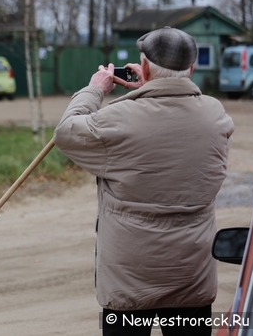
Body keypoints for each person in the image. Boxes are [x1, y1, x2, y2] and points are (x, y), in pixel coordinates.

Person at [52, 27, 234, 336]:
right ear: (190, 69)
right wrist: (151, 87)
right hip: (191, 278)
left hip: (129, 283)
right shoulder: (216, 116)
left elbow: (66, 132)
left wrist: (95, 90)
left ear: (144, 67)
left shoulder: (117, 118)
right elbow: (168, 116)